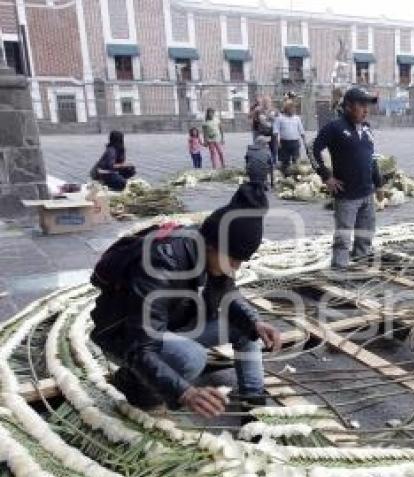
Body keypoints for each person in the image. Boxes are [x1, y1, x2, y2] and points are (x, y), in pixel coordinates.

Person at [89, 162, 281, 417]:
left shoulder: (212, 257)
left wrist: (255, 322)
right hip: (126, 337)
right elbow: (141, 346)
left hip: (172, 324)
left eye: (240, 262)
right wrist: (185, 392)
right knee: (191, 358)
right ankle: (135, 387)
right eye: (232, 260)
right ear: (212, 244)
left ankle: (254, 403)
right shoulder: (162, 262)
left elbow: (227, 294)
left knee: (246, 329)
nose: (234, 268)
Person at [312, 86, 383, 269]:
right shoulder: (335, 127)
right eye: (362, 105)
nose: (366, 110)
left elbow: (372, 158)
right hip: (346, 196)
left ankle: (361, 265)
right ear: (349, 106)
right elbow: (313, 150)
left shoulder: (367, 129)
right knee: (343, 238)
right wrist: (326, 176)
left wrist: (379, 183)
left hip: (367, 193)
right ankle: (340, 271)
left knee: (365, 235)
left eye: (368, 105)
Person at [274, 99, 308, 172]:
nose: (293, 110)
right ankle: (285, 177)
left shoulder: (297, 118)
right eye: (291, 108)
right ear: (287, 109)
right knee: (285, 162)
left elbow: (301, 130)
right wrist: (278, 142)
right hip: (284, 143)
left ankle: (296, 176)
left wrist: (305, 142)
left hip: (295, 143)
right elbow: (276, 131)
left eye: (294, 108)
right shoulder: (280, 118)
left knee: (296, 161)